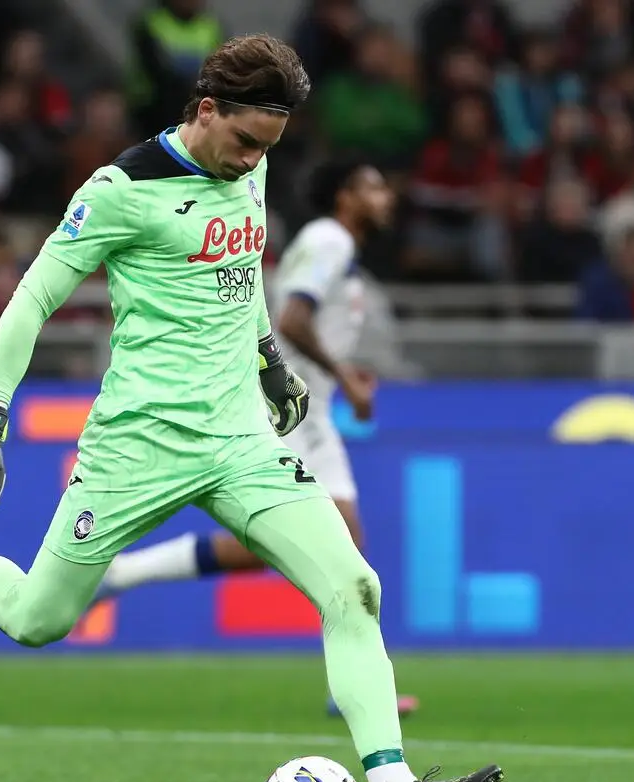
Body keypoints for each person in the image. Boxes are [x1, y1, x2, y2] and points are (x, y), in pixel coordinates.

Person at [0, 34, 503, 782]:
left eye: (269, 148)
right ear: (205, 110)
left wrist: (271, 364)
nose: (253, 161)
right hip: (135, 445)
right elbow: (31, 300)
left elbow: (247, 274)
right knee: (40, 619)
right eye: (246, 141)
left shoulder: (246, 168)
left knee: (353, 586)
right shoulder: (119, 190)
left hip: (239, 439)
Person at [90, 158, 420, 719]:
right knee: (335, 550)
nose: (385, 197)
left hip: (311, 416)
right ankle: (355, 691)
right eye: (371, 186)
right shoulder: (330, 239)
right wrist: (342, 376)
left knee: (316, 548)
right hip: (285, 410)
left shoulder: (340, 251)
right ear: (343, 197)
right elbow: (291, 319)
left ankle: (124, 573)